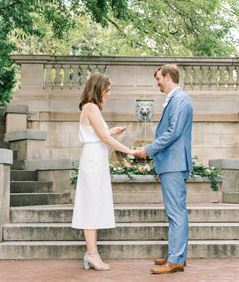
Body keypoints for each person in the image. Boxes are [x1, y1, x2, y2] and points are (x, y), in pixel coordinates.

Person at [71, 73, 139, 271]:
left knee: (95, 203)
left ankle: (92, 253)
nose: (109, 94)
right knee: (91, 204)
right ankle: (92, 254)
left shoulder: (91, 108)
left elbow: (99, 135)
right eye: (107, 90)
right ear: (98, 89)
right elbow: (103, 138)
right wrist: (130, 151)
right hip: (93, 160)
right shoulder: (91, 107)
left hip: (96, 158)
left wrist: (110, 131)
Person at [136, 64, 193, 275]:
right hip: (170, 163)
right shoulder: (176, 100)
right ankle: (175, 256)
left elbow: (172, 132)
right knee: (173, 213)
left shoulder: (180, 100)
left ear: (168, 77)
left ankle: (176, 260)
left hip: (175, 164)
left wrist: (148, 150)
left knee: (176, 213)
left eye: (159, 78)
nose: (157, 83)